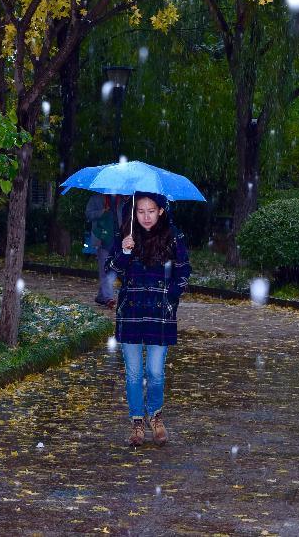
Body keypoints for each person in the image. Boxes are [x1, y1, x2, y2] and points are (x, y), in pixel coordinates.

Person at [105, 191, 191, 447]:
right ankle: (136, 422)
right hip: (131, 312)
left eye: (151, 211)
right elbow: (113, 270)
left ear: (161, 211)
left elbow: (183, 269)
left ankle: (156, 416)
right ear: (134, 212)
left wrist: (171, 295)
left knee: (154, 371)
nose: (145, 217)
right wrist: (124, 252)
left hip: (160, 314)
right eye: (140, 211)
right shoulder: (125, 235)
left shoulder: (173, 236)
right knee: (133, 373)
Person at [85, 194, 126, 310]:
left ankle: (101, 296)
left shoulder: (122, 200)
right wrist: (102, 212)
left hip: (118, 240)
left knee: (114, 268)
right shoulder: (96, 198)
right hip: (102, 239)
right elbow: (88, 214)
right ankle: (108, 298)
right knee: (105, 269)